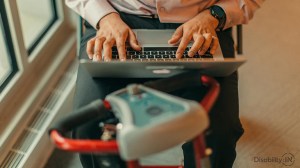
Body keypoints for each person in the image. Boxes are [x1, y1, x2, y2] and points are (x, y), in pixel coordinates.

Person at [65, 1, 262, 168]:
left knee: (221, 132)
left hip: (201, 20)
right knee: (87, 128)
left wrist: (214, 15)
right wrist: (104, 17)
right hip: (117, 17)